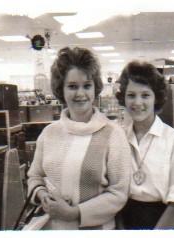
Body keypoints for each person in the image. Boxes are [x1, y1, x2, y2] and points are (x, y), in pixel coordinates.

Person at [27, 47, 131, 230]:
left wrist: (74, 213)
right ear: (61, 89)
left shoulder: (113, 134)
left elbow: (119, 192)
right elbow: (35, 177)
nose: (80, 94)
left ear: (95, 88)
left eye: (87, 85)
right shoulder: (49, 134)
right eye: (72, 86)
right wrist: (42, 196)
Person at [115, 60, 174, 229]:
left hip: (165, 222)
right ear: (123, 98)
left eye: (145, 95)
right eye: (131, 95)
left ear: (156, 98)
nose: (138, 103)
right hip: (127, 220)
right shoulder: (118, 137)